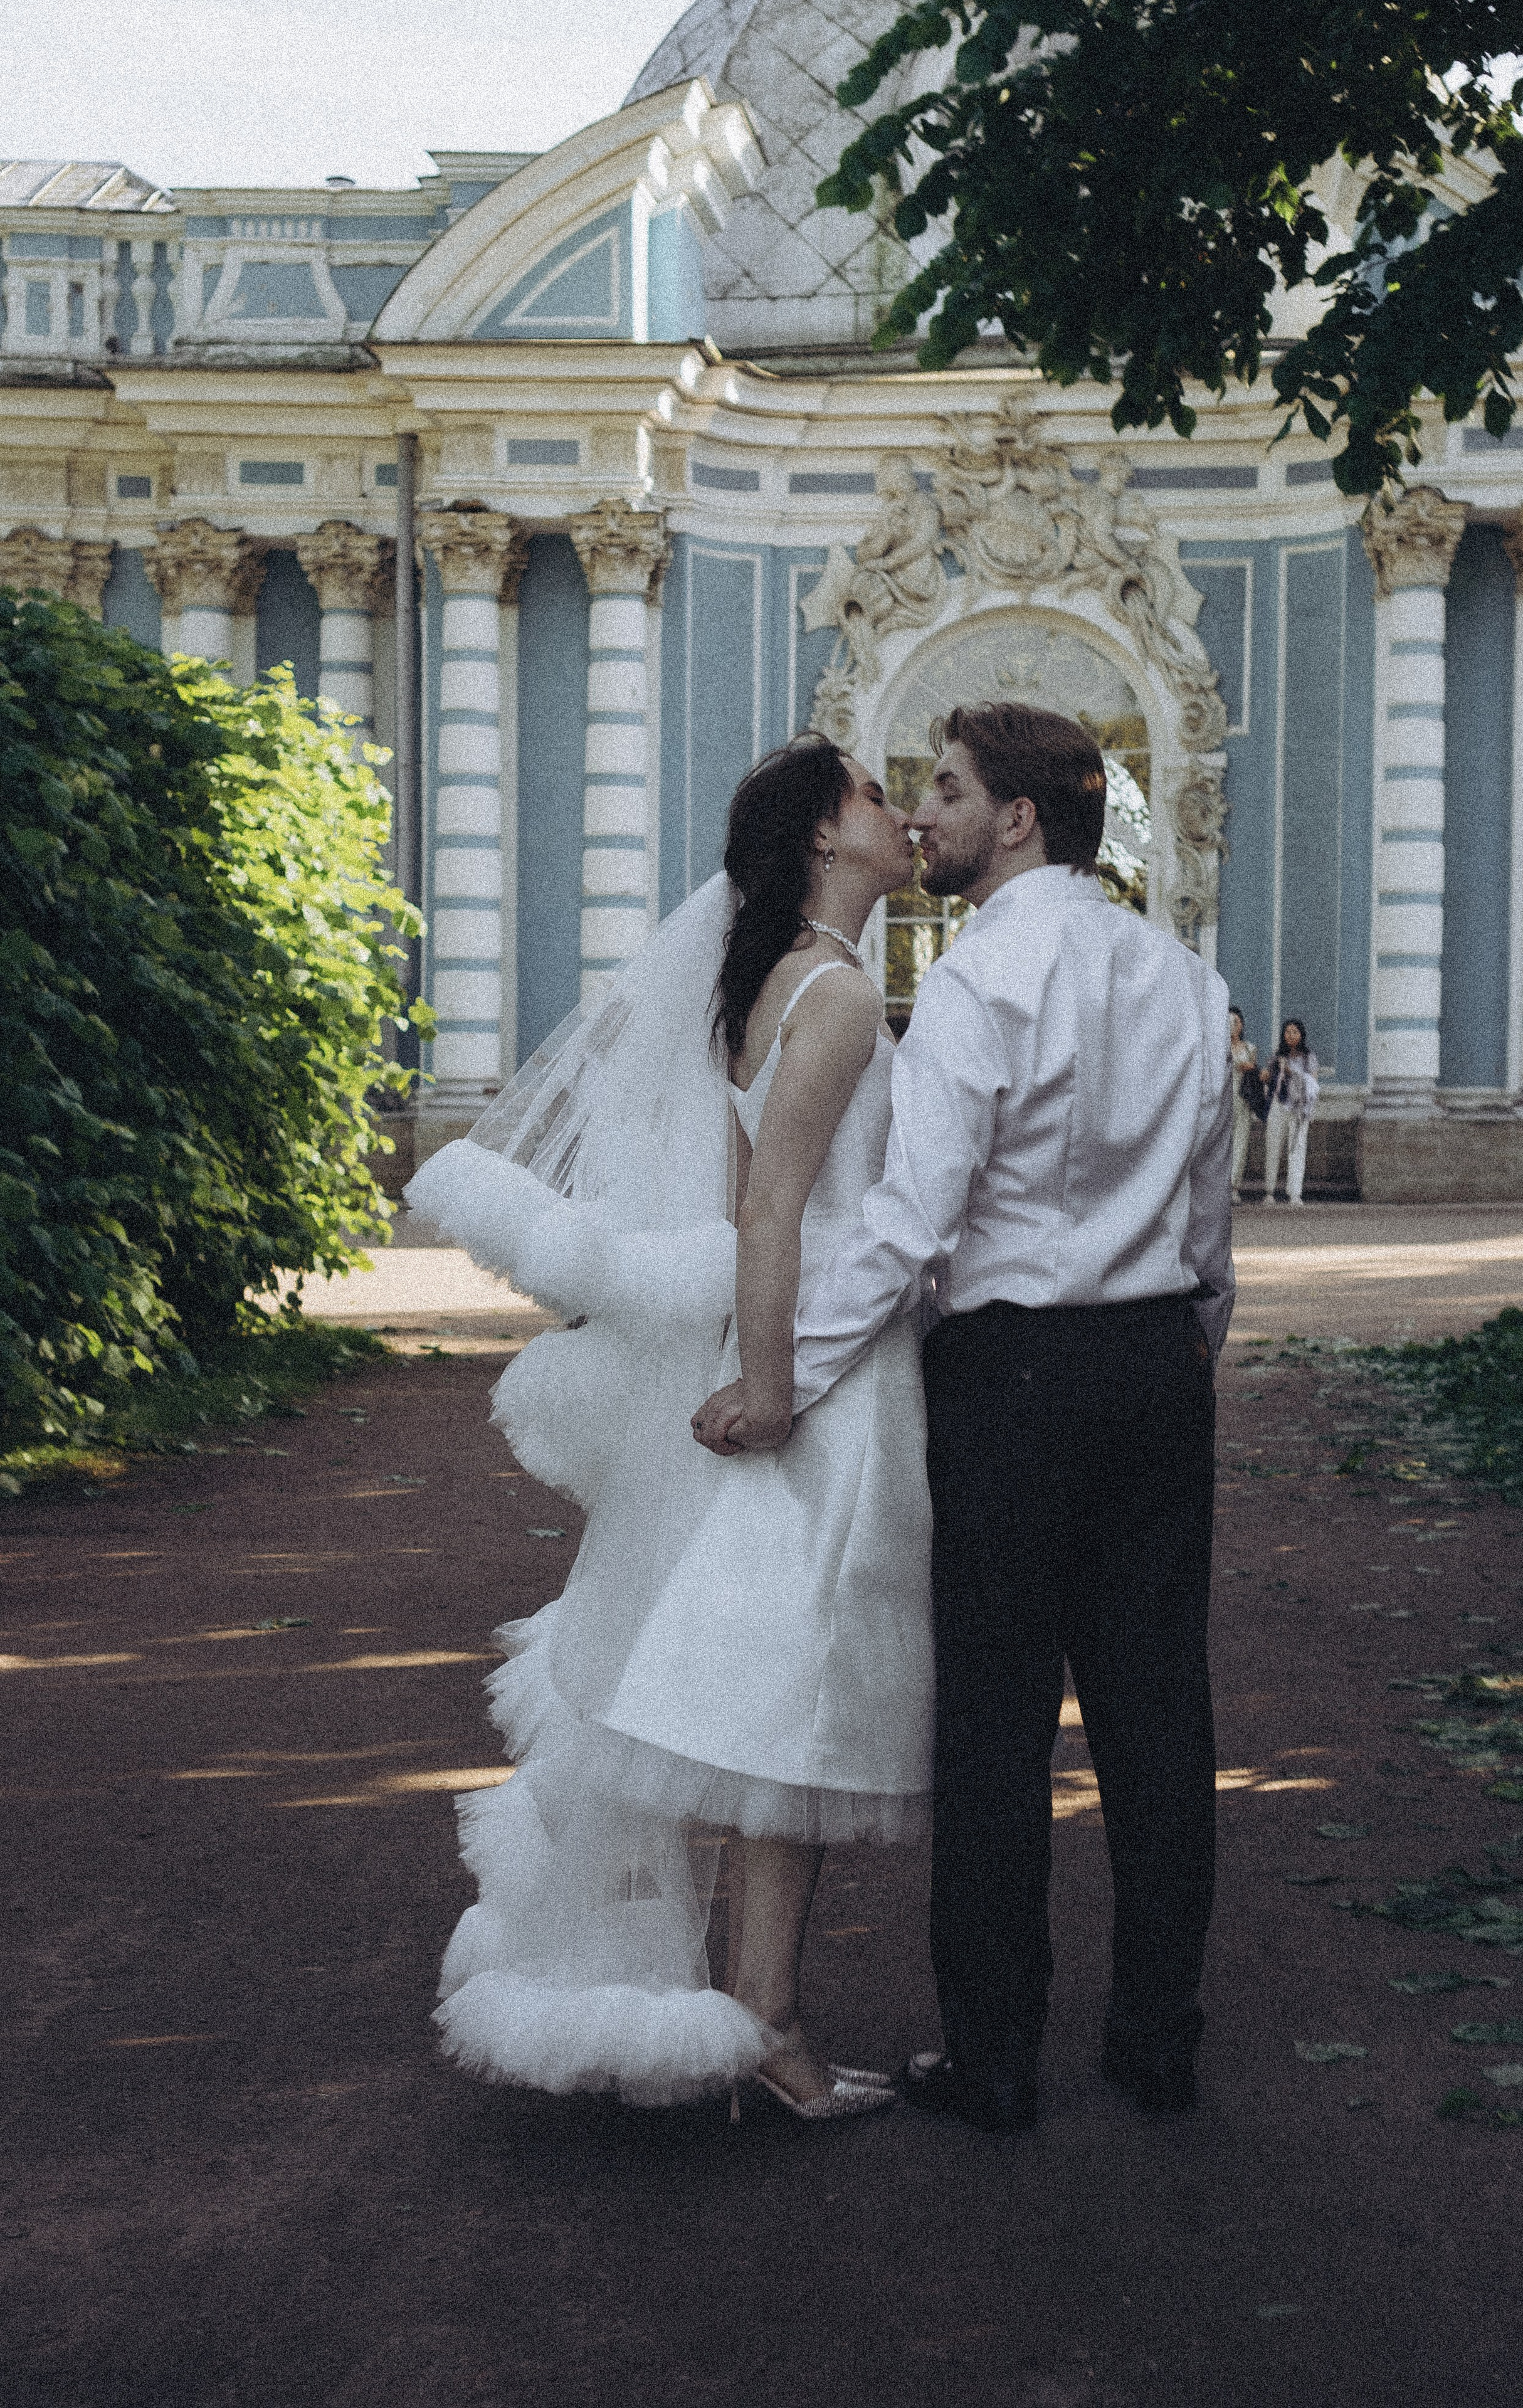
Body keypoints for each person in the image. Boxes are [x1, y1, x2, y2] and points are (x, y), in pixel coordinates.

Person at [697, 701, 1235, 2129]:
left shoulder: (975, 982)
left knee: (992, 1730)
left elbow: (905, 1224)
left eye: (943, 788)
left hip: (1008, 1377)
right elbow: (1207, 1215)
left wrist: (780, 1379)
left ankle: (993, 2059)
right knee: (1158, 1716)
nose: (923, 812)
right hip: (1152, 1368)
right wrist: (1189, 1347)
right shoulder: (1184, 977)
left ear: (1014, 819)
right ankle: (1154, 2039)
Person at [403, 736, 934, 2120]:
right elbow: (768, 1213)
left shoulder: (782, 983)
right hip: (816, 1376)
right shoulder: (830, 999)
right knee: (797, 1701)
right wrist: (771, 1382)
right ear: (824, 840)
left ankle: (764, 2011)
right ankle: (767, 2018)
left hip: (802, 1355)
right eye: (875, 796)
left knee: (773, 1706)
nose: (896, 815)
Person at [1260, 1018, 1319, 1206]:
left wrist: (1292, 1072)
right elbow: (1266, 1075)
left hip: (1298, 1108)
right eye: (1287, 1032)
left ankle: (1295, 1193)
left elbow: (1313, 1082)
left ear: (1301, 1035)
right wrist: (1267, 1075)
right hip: (1279, 1104)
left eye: (1294, 1032)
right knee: (1273, 1146)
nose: (1291, 1036)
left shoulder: (1308, 1057)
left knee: (1297, 1148)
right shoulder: (1277, 1056)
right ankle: (1270, 1191)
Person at [1228, 1005, 1259, 1204]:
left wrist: (1252, 1068)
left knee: (1240, 1144)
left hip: (1242, 1100)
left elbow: (1255, 1075)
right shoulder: (1217, 1047)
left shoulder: (1250, 1048)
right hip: (1221, 1101)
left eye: (1236, 1022)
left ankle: (1234, 1186)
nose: (1232, 1026)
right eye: (1229, 1022)